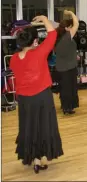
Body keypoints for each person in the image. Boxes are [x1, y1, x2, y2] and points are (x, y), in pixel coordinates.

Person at [9, 15, 64, 174]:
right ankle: (40, 159)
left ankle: (34, 159)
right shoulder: (39, 52)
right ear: (34, 42)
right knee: (44, 126)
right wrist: (45, 19)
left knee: (29, 127)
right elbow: (52, 34)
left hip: (25, 100)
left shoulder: (13, 59)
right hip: (42, 97)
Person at [55, 10, 79, 115]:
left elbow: (64, 51)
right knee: (69, 88)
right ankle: (67, 108)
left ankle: (65, 106)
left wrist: (74, 56)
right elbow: (77, 23)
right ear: (66, 28)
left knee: (64, 88)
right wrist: (71, 13)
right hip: (68, 67)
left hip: (62, 66)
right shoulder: (67, 36)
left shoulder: (60, 38)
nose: (72, 28)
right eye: (70, 26)